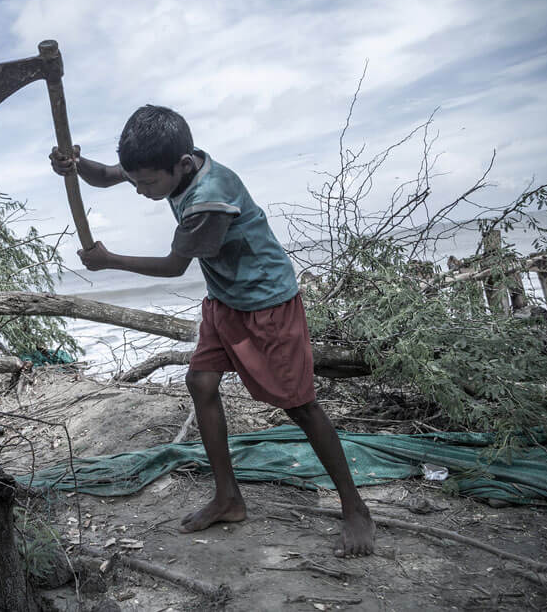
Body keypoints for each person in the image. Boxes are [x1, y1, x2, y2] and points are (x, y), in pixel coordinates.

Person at [49, 105, 375, 557]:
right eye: (137, 180)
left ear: (182, 166)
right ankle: (229, 498)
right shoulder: (162, 161)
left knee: (300, 406)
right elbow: (106, 174)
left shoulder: (209, 199)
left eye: (148, 183)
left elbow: (173, 265)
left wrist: (111, 261)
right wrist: (75, 164)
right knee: (200, 382)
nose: (142, 190)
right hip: (225, 300)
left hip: (267, 304)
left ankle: (355, 508)